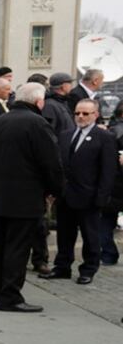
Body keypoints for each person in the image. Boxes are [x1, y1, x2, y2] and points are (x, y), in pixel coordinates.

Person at [0, 82, 64, 312]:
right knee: (18, 248)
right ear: (39, 101)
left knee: (2, 245)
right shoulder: (38, 124)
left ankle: (0, 293)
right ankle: (11, 297)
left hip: (1, 197)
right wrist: (55, 190)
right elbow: (51, 164)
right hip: (27, 199)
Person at [40, 99, 117, 284]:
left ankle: (88, 269)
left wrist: (101, 196)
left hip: (89, 196)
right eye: (77, 113)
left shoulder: (104, 137)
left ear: (95, 115)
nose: (80, 117)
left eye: (85, 113)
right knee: (65, 235)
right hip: (66, 196)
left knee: (90, 236)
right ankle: (62, 266)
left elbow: (108, 170)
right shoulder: (66, 135)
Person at [100, 102, 123, 265]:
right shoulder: (115, 131)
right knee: (106, 221)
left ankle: (109, 254)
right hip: (115, 184)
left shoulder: (111, 131)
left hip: (113, 184)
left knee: (106, 222)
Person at [43, 73, 77, 141]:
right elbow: (48, 132)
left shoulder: (63, 102)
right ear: (64, 86)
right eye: (70, 83)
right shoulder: (50, 105)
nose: (71, 86)